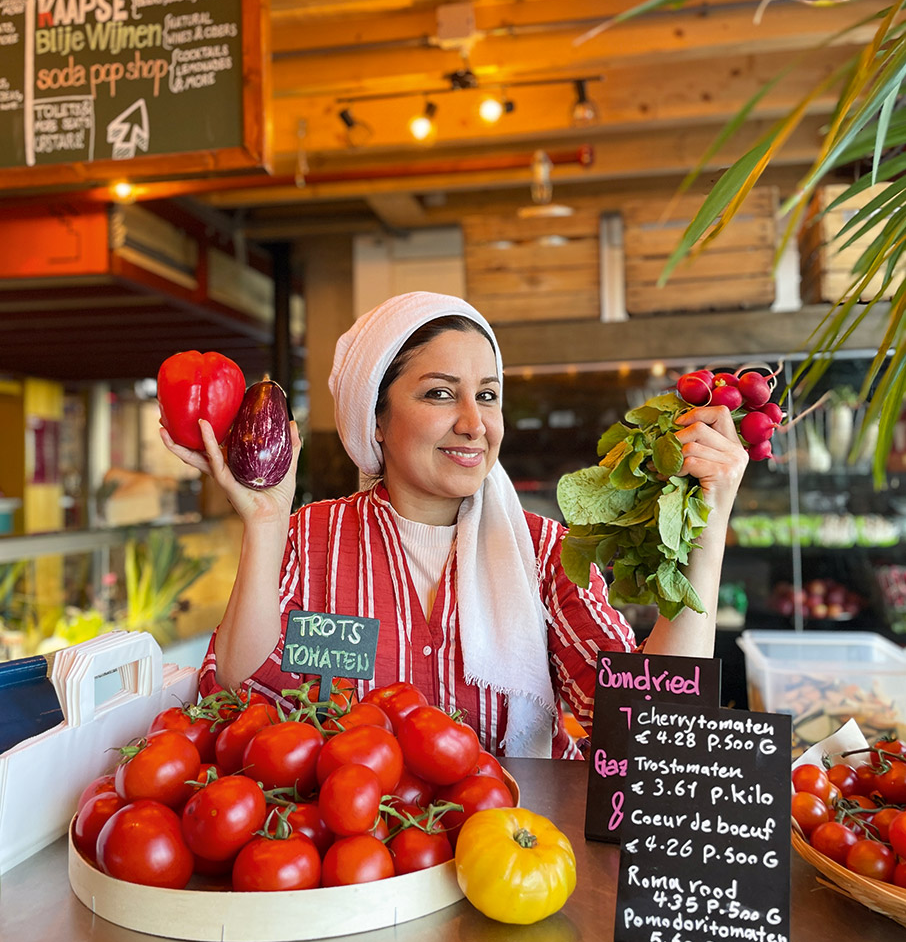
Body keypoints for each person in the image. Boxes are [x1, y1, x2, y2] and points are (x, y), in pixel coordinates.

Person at [160, 291, 748, 758]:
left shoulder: (543, 553)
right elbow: (236, 702)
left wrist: (707, 531)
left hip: (514, 865)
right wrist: (265, 524)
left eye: (487, 396)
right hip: (356, 872)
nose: (474, 423)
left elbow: (653, 732)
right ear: (378, 420)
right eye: (441, 394)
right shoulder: (311, 538)